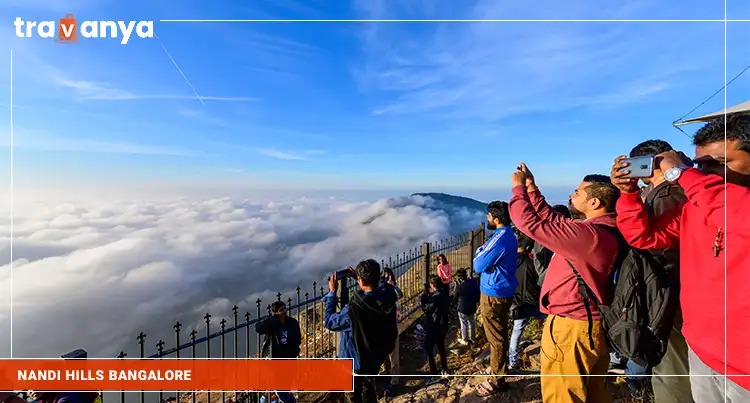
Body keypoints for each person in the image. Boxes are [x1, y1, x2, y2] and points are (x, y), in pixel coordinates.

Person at [612, 114, 750, 402]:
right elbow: (645, 238)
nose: (707, 174)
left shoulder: (725, 202)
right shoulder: (696, 206)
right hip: (702, 349)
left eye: (721, 163)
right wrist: (628, 196)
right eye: (701, 165)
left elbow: (739, 217)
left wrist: (684, 175)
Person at [509, 163, 620, 403]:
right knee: (592, 393)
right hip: (589, 324)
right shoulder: (601, 229)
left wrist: (518, 190)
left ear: (595, 203)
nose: (572, 195)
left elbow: (529, 224)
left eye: (578, 192)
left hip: (571, 328)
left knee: (563, 396)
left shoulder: (589, 237)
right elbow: (554, 221)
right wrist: (531, 189)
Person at [624, 139, 691, 402]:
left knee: (672, 369)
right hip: (668, 293)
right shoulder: (665, 192)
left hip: (668, 295)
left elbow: (651, 243)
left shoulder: (669, 195)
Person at [472, 201, 518, 398]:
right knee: (500, 332)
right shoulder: (508, 235)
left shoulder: (499, 239)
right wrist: (483, 254)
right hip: (502, 290)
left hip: (493, 293)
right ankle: (498, 367)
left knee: (495, 337)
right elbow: (482, 257)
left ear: (496, 219)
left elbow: (478, 264)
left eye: (489, 216)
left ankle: (497, 379)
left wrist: (481, 254)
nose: (487, 219)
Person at [347, 259, 398, 403]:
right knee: (369, 385)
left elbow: (332, 320)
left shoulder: (357, 306)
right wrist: (359, 279)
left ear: (362, 282)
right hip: (381, 349)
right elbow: (379, 289)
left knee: (362, 389)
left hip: (364, 357)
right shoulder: (389, 295)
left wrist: (333, 294)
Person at [508, 228, 546, 372]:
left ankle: (513, 360)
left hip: (517, 303)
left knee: (516, 331)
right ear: (528, 248)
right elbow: (540, 281)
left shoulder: (509, 264)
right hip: (534, 302)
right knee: (550, 322)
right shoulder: (532, 264)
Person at [324, 271, 361, 403]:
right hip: (371, 358)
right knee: (368, 390)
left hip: (354, 362)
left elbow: (329, 322)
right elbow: (376, 288)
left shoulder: (353, 311)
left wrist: (332, 293)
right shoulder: (381, 298)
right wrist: (359, 279)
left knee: (354, 395)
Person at [255, 301, 301, 403]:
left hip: (288, 360)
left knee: (281, 391)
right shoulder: (273, 324)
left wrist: (293, 352)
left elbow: (297, 340)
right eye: (281, 310)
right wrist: (273, 319)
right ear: (275, 313)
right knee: (278, 390)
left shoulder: (292, 323)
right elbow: (259, 329)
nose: (284, 311)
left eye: (285, 309)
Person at [531, 204, 570, 287]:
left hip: (549, 282)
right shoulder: (571, 237)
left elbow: (538, 260)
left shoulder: (542, 236)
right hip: (557, 282)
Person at [420, 275, 451, 375]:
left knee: (428, 347)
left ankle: (433, 369)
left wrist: (424, 295)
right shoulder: (444, 293)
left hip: (435, 326)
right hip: (443, 325)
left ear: (432, 285)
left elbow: (426, 308)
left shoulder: (435, 297)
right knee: (441, 347)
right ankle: (444, 367)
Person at [380, 267, 403, 390]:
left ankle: (395, 379)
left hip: (391, 327)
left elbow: (400, 295)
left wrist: (393, 286)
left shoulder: (392, 290)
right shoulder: (381, 293)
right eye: (385, 276)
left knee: (394, 355)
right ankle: (386, 371)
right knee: (384, 353)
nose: (387, 278)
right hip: (383, 329)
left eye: (389, 276)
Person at [453, 268, 479, 346]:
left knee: (463, 323)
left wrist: (455, 286)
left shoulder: (459, 287)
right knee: (472, 322)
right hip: (472, 306)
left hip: (462, 308)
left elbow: (455, 297)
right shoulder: (473, 282)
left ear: (459, 278)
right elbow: (477, 293)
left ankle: (465, 339)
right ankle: (473, 339)